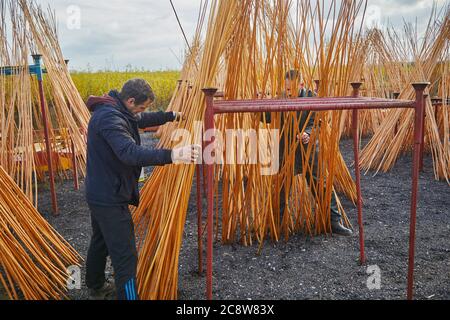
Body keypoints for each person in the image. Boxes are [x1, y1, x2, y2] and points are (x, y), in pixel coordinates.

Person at [84, 79, 200, 300]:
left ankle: (95, 285)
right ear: (130, 100)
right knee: (126, 256)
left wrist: (170, 116)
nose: (142, 112)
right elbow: (130, 152)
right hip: (109, 198)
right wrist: (172, 155)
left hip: (100, 191)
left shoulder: (117, 109)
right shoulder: (109, 118)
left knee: (100, 240)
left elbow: (141, 118)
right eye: (141, 106)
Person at [263, 70, 353, 237]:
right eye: (286, 89)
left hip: (308, 150)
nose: (288, 93)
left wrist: (308, 133)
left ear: (301, 85)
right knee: (281, 187)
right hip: (285, 150)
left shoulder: (313, 97)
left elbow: (318, 122)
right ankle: (277, 225)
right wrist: (259, 105)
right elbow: (266, 117)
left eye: (291, 89)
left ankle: (333, 222)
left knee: (321, 184)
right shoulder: (280, 98)